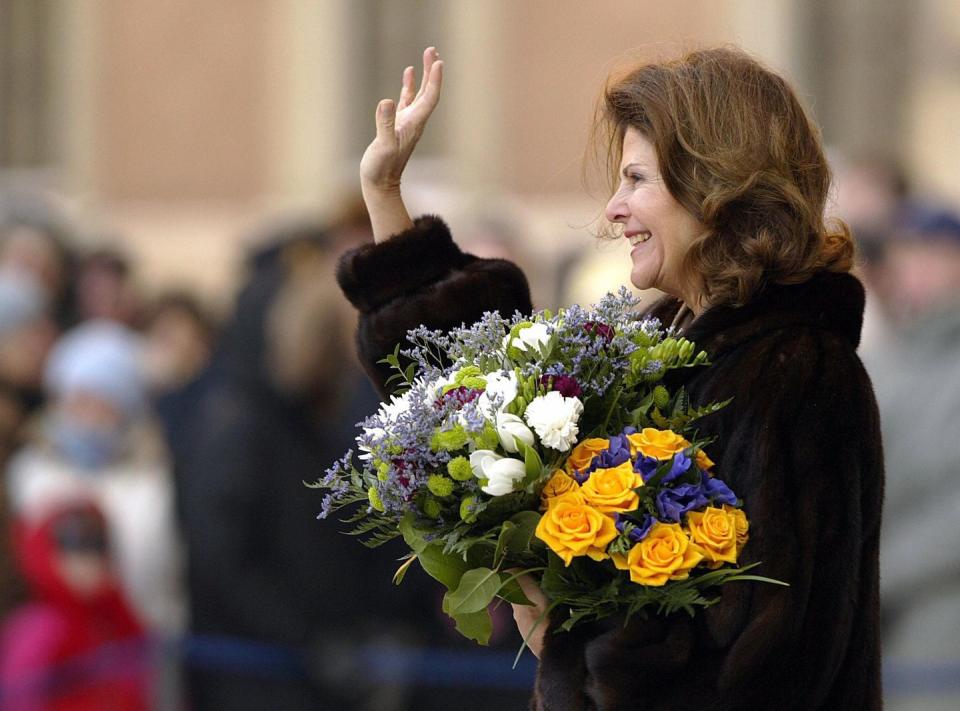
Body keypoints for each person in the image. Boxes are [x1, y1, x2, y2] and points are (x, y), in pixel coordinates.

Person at [336, 46, 883, 710]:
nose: (612, 210)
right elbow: (477, 416)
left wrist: (568, 649)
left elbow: (765, 670)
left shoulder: (798, 375)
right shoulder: (665, 347)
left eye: (636, 179)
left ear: (716, 187)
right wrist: (385, 194)